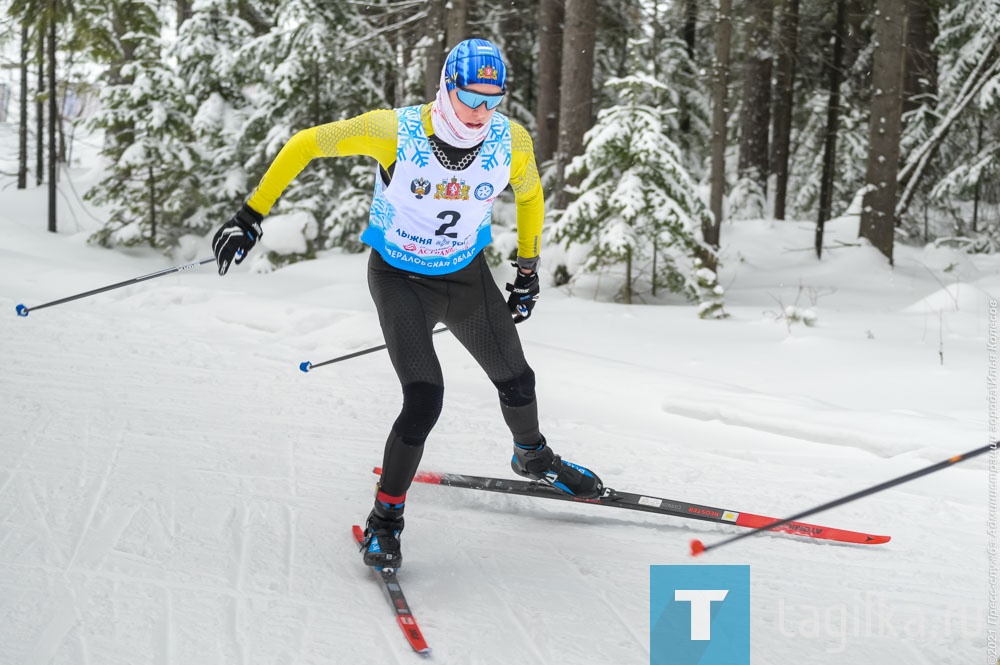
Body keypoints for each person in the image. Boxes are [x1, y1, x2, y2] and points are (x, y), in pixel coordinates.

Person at [212, 38, 602, 569]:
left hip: (465, 276)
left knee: (518, 380)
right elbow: (305, 143)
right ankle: (385, 521)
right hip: (399, 278)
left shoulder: (511, 141)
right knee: (424, 400)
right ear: (447, 86)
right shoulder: (395, 130)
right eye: (471, 98)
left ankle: (532, 457)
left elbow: (530, 196)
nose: (482, 112)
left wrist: (528, 270)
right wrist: (250, 214)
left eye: (494, 99)